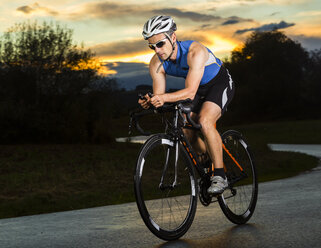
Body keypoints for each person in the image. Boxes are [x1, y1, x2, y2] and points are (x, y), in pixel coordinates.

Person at [138, 15, 235, 195]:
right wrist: (151, 101)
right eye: (152, 46)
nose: (157, 50)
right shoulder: (156, 63)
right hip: (197, 88)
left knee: (205, 121)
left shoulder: (194, 51)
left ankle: (221, 176)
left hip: (218, 83)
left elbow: (189, 92)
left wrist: (164, 98)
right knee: (185, 128)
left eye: (160, 44)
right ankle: (207, 158)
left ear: (173, 37)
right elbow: (160, 96)